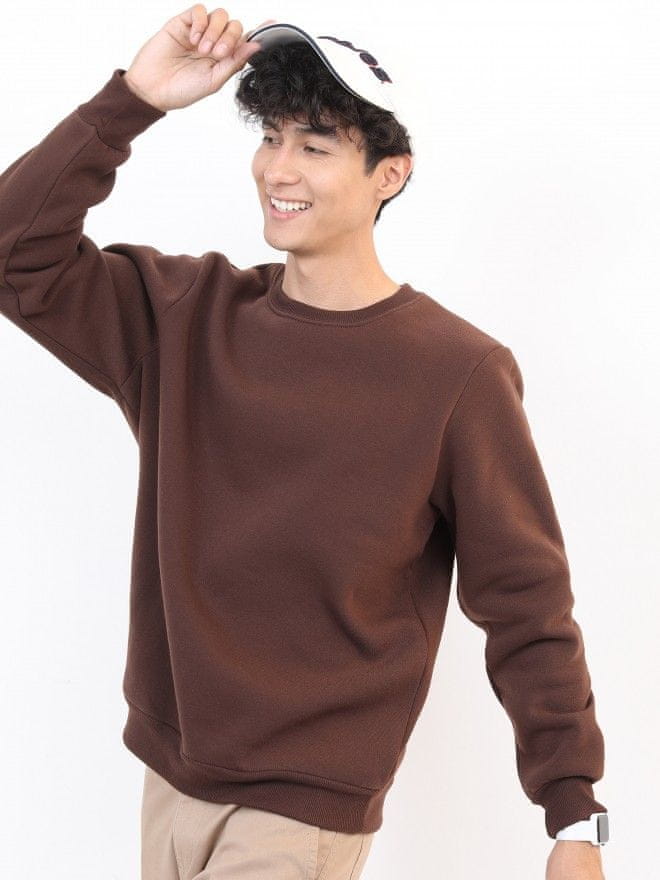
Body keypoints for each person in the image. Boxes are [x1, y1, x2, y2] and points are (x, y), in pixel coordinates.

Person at [0, 5, 609, 878]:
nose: (278, 169)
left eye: (315, 146)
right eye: (271, 136)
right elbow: (14, 251)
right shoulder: (185, 319)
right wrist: (133, 98)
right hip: (168, 784)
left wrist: (573, 815)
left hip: (297, 815)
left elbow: (525, 602)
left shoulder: (457, 375)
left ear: (389, 174)